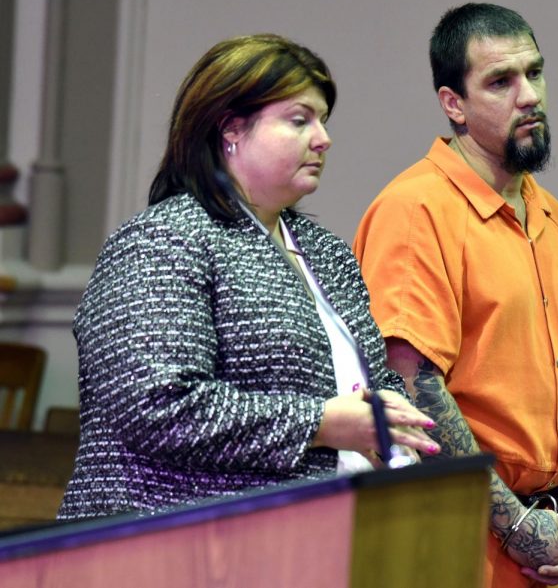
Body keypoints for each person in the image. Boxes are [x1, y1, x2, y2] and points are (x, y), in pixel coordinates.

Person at [58, 34, 439, 520]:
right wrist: (319, 424)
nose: (323, 138)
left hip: (315, 534)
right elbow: (155, 406)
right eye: (299, 120)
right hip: (169, 542)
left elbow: (368, 380)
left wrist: (389, 422)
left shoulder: (325, 252)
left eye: (323, 120)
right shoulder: (164, 238)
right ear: (231, 130)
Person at [353, 3, 558, 588]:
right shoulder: (416, 209)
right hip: (450, 535)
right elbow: (412, 389)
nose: (529, 95)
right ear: (452, 103)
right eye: (501, 81)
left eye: (534, 73)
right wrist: (513, 523)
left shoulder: (552, 214)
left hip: (544, 533)